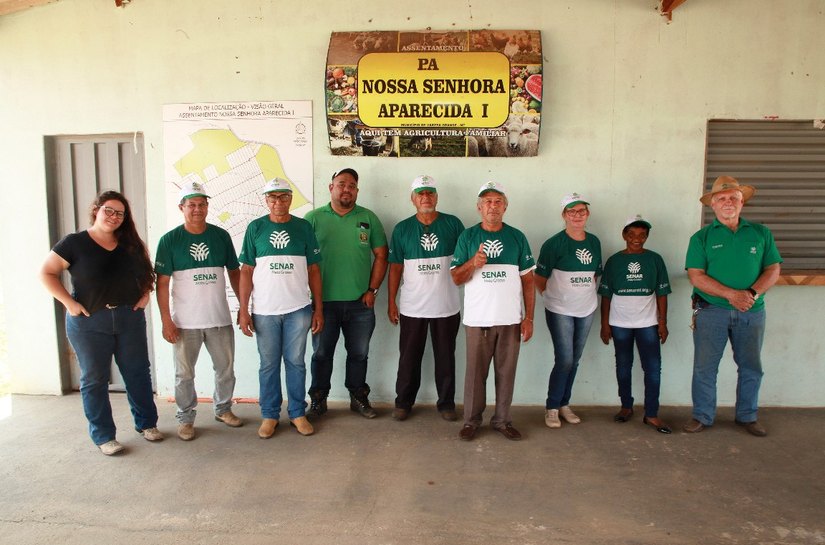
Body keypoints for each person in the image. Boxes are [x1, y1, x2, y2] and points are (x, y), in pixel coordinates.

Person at [40, 190, 163, 455]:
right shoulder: (74, 243)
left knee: (138, 372)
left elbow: (147, 272)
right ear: (96, 209)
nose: (114, 217)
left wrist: (145, 295)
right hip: (89, 322)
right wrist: (69, 303)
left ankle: (146, 424)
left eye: (120, 213)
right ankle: (104, 436)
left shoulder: (130, 243)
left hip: (129, 318)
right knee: (94, 379)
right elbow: (47, 272)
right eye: (109, 210)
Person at [683, 175, 782, 437]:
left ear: (742, 203)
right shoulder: (701, 237)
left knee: (751, 366)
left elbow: (773, 269)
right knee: (705, 367)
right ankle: (702, 416)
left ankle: (747, 416)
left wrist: (750, 293)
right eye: (722, 199)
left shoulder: (761, 233)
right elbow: (696, 275)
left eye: (733, 198)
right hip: (710, 311)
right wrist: (731, 295)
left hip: (751, 310)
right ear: (712, 205)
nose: (728, 202)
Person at [155, 181, 242, 441]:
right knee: (184, 375)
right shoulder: (170, 240)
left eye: (202, 204)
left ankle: (223, 409)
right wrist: (166, 320)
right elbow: (162, 284)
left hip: (219, 319)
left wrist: (244, 307)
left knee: (225, 369)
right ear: (181, 207)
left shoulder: (220, 236)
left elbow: (235, 273)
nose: (197, 209)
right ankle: (185, 418)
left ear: (207, 206)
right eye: (191, 205)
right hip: (184, 323)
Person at [238, 178, 323, 438]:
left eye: (283, 197)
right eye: (273, 197)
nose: (278, 202)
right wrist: (243, 310)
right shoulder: (256, 228)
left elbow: (313, 269)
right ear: (266, 200)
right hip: (264, 311)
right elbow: (246, 270)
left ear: (290, 199)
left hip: (298, 308)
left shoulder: (303, 227)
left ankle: (297, 413)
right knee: (268, 365)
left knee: (296, 363)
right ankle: (269, 415)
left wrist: (318, 309)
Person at [451, 181, 535, 441]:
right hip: (478, 320)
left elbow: (529, 280)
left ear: (505, 206)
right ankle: (471, 421)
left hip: (510, 319)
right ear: (479, 208)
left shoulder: (517, 237)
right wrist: (472, 263)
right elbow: (455, 277)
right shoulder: (467, 237)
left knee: (506, 374)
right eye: (487, 202)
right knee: (475, 376)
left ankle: (502, 420)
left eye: (498, 201)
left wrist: (528, 318)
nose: (493, 206)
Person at [305, 168, 388, 419]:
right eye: (341, 184)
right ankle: (318, 400)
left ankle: (358, 397)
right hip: (323, 304)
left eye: (352, 185)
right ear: (331, 188)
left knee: (359, 354)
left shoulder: (368, 218)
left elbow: (382, 255)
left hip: (360, 304)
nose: (346, 189)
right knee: (321, 355)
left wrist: (372, 289)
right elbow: (304, 261)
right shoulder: (313, 218)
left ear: (357, 191)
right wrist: (312, 301)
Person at [387, 175, 464, 422]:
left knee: (446, 357)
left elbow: (465, 263)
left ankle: (446, 403)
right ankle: (403, 403)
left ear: (437, 197)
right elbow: (396, 267)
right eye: (420, 193)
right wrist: (391, 302)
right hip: (412, 307)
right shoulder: (402, 228)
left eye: (430, 193)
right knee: (409, 358)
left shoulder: (453, 224)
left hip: (446, 306)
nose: (426, 197)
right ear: (413, 199)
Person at [598, 215, 672, 434]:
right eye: (632, 234)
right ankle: (626, 406)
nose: (637, 239)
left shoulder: (655, 260)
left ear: (647, 237)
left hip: (648, 323)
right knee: (623, 366)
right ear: (624, 235)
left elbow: (662, 293)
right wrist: (604, 324)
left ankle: (651, 414)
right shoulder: (614, 261)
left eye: (642, 235)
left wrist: (662, 322)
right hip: (619, 323)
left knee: (653, 369)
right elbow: (605, 295)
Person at [535, 193, 602, 429]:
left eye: (581, 211)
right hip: (560, 309)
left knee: (574, 359)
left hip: (586, 309)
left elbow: (595, 274)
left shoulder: (594, 242)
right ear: (564, 215)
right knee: (564, 359)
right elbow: (539, 278)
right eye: (571, 212)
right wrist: (553, 298)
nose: (577, 216)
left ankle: (564, 404)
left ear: (588, 214)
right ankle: (552, 407)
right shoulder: (554, 244)